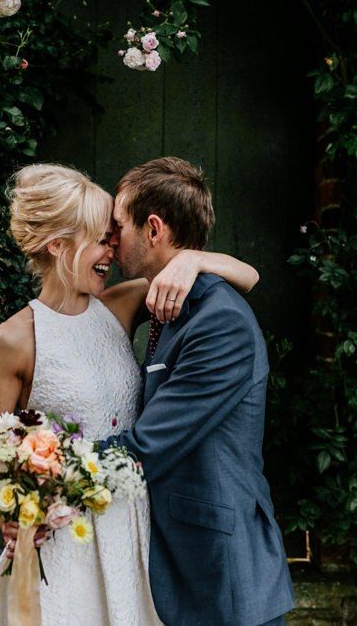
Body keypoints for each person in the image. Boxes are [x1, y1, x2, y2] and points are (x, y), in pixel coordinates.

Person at [0, 163, 260, 625]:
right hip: (66, 534)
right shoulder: (12, 341)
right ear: (59, 246)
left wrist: (194, 259)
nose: (112, 249)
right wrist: (11, 510)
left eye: (114, 235)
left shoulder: (120, 306)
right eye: (101, 239)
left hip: (134, 528)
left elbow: (246, 276)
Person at [100, 156, 294, 625]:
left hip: (221, 569)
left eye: (117, 226)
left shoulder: (219, 321)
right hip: (177, 559)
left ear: (153, 228)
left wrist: (40, 466)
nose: (109, 239)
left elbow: (148, 447)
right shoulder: (167, 299)